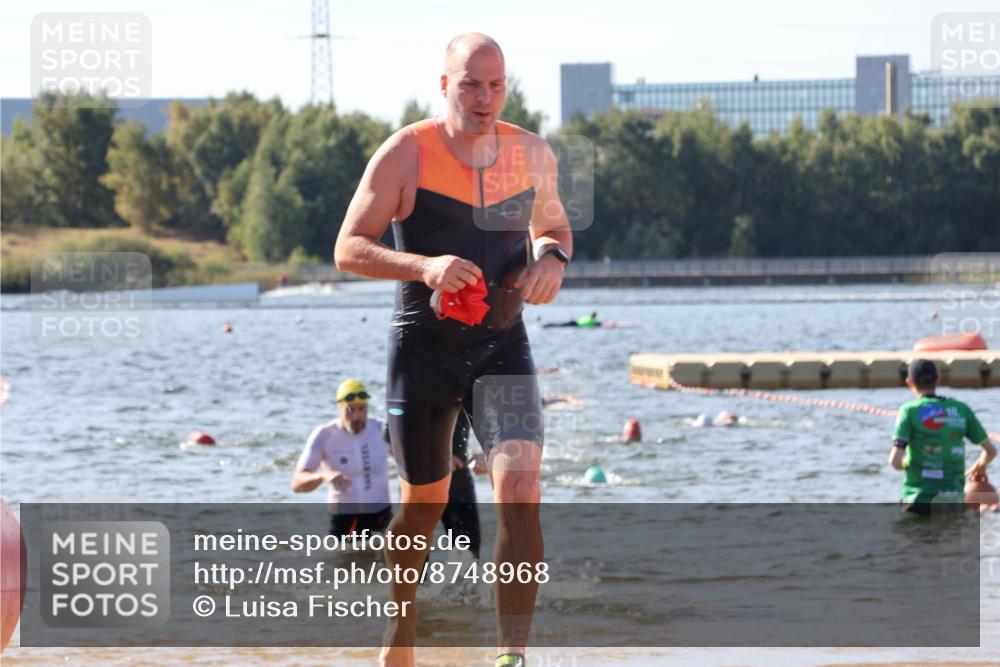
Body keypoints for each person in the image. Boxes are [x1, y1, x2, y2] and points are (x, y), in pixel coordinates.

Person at [335, 32, 571, 667]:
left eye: (495, 85)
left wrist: (553, 259)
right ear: (444, 86)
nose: (484, 97)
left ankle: (511, 655)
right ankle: (400, 630)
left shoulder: (530, 153)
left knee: (521, 486)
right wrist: (425, 266)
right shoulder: (405, 154)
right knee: (424, 505)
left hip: (502, 346)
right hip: (424, 353)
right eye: (470, 84)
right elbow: (348, 248)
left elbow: (553, 227)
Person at [887, 359, 996, 514]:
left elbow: (894, 462)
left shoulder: (908, 411)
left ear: (910, 382)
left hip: (917, 500)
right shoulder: (960, 409)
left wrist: (910, 463)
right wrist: (979, 466)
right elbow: (990, 451)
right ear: (938, 379)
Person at [291, 379, 393, 536]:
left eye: (362, 409)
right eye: (350, 410)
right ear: (339, 408)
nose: (357, 416)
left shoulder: (381, 430)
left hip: (381, 516)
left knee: (395, 558)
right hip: (344, 518)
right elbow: (297, 483)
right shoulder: (325, 435)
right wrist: (324, 476)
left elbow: (413, 464)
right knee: (343, 559)